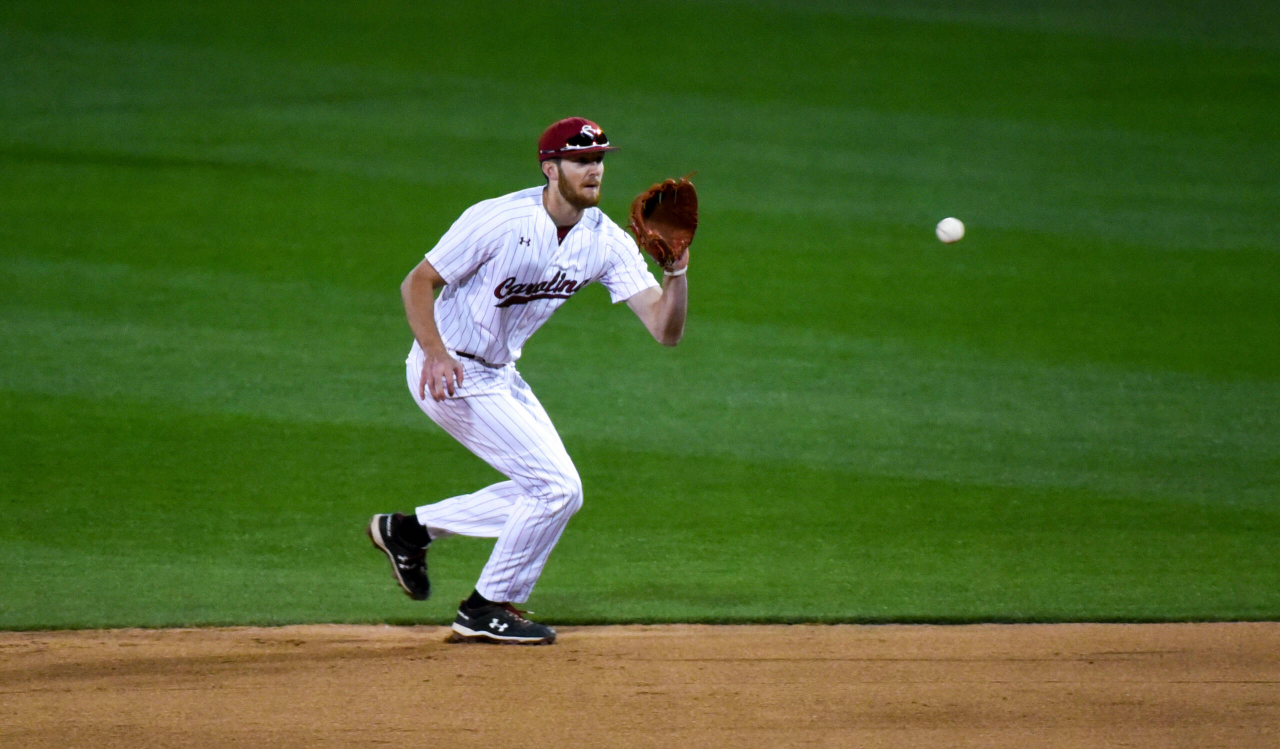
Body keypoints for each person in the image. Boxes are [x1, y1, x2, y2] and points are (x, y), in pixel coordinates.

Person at [367, 117, 689, 645]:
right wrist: (433, 353)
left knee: (552, 493)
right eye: (582, 161)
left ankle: (409, 531)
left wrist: (676, 273)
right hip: (451, 370)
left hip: (500, 373)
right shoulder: (496, 219)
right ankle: (485, 606)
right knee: (557, 487)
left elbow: (664, 329)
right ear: (550, 168)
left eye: (599, 159)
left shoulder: (604, 240)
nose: (594, 170)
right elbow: (418, 281)